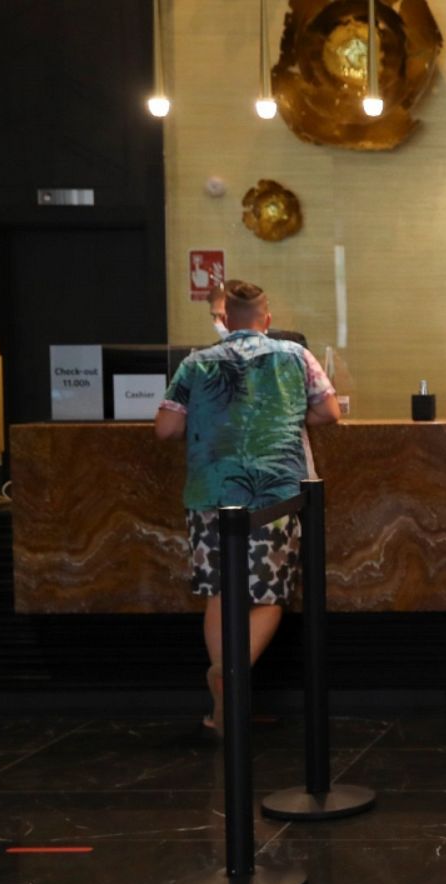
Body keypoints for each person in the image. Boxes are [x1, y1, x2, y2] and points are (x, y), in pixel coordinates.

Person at [155, 280, 341, 732]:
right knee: (268, 596)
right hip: (272, 496)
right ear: (267, 318)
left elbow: (165, 429)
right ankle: (230, 676)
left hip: (210, 494)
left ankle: (225, 702)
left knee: (222, 593)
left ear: (225, 319)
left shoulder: (195, 363)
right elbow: (330, 413)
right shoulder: (296, 357)